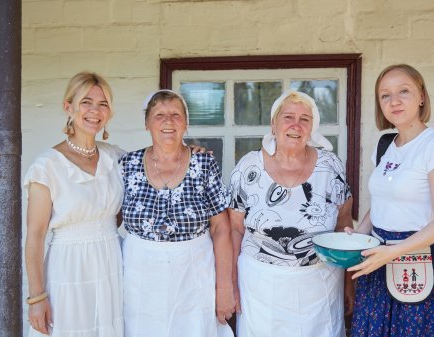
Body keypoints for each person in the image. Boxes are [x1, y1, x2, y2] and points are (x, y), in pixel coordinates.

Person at [347, 64, 434, 336]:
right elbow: (381, 204)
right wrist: (357, 236)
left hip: (418, 263)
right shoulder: (385, 145)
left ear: (421, 96)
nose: (394, 101)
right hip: (378, 261)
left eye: (404, 91)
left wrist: (392, 252)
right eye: (385, 95)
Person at [228, 90, 354, 337]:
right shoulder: (248, 166)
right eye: (288, 117)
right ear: (273, 124)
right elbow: (234, 229)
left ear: (312, 127)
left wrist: (349, 284)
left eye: (305, 119)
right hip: (261, 286)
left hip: (321, 285)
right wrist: (230, 284)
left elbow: (344, 226)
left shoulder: (330, 166)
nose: (296, 125)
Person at [119, 89, 235, 337]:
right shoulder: (127, 164)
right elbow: (109, 219)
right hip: (139, 276)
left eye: (175, 114)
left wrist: (224, 287)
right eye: (159, 114)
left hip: (193, 272)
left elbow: (221, 228)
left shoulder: (204, 164)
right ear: (147, 123)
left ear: (186, 122)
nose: (168, 121)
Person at [24, 72, 125, 336]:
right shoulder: (47, 166)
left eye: (103, 104)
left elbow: (155, 165)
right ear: (68, 107)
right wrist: (36, 298)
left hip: (111, 262)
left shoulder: (114, 157)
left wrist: (188, 152)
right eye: (86, 102)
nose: (95, 111)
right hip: (68, 266)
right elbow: (35, 236)